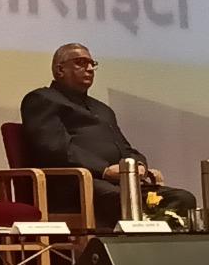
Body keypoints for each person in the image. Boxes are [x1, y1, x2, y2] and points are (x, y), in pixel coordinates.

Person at [21, 43, 196, 226]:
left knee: (183, 198)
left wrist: (139, 166)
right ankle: (137, 239)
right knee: (126, 201)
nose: (90, 68)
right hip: (76, 183)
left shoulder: (102, 109)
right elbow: (56, 148)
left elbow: (124, 148)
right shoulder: (42, 99)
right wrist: (104, 170)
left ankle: (150, 241)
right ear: (60, 70)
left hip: (118, 183)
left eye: (92, 64)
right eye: (81, 62)